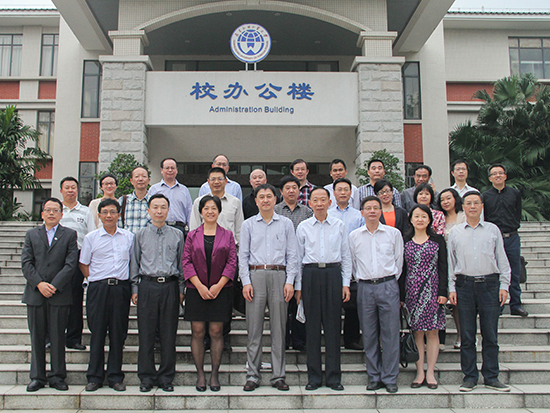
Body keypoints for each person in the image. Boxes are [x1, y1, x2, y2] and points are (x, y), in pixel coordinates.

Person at [448, 190, 511, 393]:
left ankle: (491, 376)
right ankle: (470, 377)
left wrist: (504, 285)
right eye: (469, 203)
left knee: (490, 334)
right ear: (463, 207)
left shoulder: (493, 230)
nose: (472, 206)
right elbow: (451, 263)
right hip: (464, 285)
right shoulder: (456, 232)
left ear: (482, 206)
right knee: (467, 335)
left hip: (489, 285)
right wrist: (451, 288)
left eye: (476, 203)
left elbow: (502, 259)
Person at [239, 184, 298, 392]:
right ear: (256, 201)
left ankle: (278, 375)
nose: (265, 200)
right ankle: (252, 375)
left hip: (279, 275)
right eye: (261, 197)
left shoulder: (286, 224)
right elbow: (243, 256)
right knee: (254, 329)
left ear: (275, 199)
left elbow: (292, 255)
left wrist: (290, 281)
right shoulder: (247, 225)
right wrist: (245, 281)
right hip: (255, 276)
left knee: (279, 329)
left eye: (269, 196)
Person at [295, 187, 352, 391]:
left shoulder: (339, 225)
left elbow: (346, 256)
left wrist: (346, 284)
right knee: (311, 328)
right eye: (315, 200)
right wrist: (298, 287)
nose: (319, 204)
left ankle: (334, 377)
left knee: (333, 327)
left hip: (333, 274)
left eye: (323, 200)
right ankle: (314, 377)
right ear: (310, 204)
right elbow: (297, 258)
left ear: (330, 203)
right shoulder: (303, 227)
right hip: (310, 274)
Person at [21, 198, 79, 392]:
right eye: (48, 210)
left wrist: (53, 286)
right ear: (42, 214)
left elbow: (71, 264)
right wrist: (39, 284)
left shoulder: (69, 235)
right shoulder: (31, 235)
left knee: (57, 337)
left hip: (58, 294)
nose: (51, 213)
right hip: (35, 294)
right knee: (37, 337)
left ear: (61, 214)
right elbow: (26, 263)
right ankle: (37, 377)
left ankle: (57, 376)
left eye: (55, 210)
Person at [130, 194, 185, 393]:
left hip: (170, 286)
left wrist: (181, 290)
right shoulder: (140, 235)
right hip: (147, 286)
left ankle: (166, 377)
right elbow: (134, 263)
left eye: (163, 207)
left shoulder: (177, 235)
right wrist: (135, 288)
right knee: (146, 334)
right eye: (155, 207)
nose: (159, 211)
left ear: (168, 210)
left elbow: (181, 264)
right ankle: (146, 377)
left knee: (169, 334)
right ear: (149, 211)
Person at [349, 195, 403, 394]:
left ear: (381, 211)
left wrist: (388, 281)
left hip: (388, 285)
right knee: (369, 334)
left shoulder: (393, 234)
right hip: (364, 287)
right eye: (368, 208)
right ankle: (373, 376)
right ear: (362, 212)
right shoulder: (354, 236)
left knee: (390, 333)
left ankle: (390, 377)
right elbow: (353, 264)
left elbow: (398, 262)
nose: (372, 211)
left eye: (375, 208)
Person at [183, 195, 237, 392]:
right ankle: (200, 375)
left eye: (213, 208)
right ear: (201, 212)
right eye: (206, 208)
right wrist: (199, 286)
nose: (210, 211)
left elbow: (232, 262)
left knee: (216, 331)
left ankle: (214, 374)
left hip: (220, 290)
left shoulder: (227, 235)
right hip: (196, 289)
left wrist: (218, 286)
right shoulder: (192, 235)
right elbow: (186, 262)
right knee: (197, 331)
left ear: (219, 211)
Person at [79, 199, 134, 392]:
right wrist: (95, 280)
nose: (108, 215)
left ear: (119, 215)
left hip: (121, 289)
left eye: (112, 212)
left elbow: (132, 263)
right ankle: (94, 377)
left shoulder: (128, 237)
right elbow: (83, 263)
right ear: (99, 215)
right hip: (98, 289)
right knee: (97, 333)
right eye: (105, 212)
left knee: (118, 334)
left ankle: (115, 377)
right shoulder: (91, 238)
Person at [190, 167, 244, 352]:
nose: (216, 182)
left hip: (227, 258)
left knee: (225, 300)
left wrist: (236, 257)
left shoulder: (235, 202)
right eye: (213, 179)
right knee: (204, 299)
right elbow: (193, 229)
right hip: (202, 258)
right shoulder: (199, 202)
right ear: (207, 182)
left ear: (226, 181)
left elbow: (239, 231)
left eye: (220, 179)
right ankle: (206, 338)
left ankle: (224, 337)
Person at [401, 204, 447, 390]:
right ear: (411, 219)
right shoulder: (404, 240)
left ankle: (431, 372)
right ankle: (419, 371)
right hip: (412, 291)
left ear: (429, 220)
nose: (420, 220)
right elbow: (402, 269)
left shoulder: (437, 240)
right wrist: (401, 295)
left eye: (423, 216)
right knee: (417, 332)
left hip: (433, 290)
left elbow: (443, 267)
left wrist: (443, 292)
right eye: (416, 216)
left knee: (433, 332)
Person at [483, 164, 528, 317]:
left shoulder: (515, 193)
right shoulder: (485, 196)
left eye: (500, 173)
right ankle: (498, 306)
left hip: (511, 237)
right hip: (494, 238)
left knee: (515, 271)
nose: (497, 176)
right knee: (496, 272)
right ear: (490, 178)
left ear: (505, 176)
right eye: (494, 174)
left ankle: (516, 304)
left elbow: (517, 213)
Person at [274, 175, 312, 351]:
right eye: (287, 188)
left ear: (299, 191)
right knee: (283, 303)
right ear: (281, 192)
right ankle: (283, 340)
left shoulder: (307, 212)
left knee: (299, 301)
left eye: (294, 188)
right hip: (281, 262)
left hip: (303, 261)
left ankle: (299, 340)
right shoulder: (275, 211)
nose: (291, 191)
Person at [327, 178, 364, 351]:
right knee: (332, 305)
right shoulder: (327, 214)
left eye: (346, 190)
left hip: (353, 264)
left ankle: (351, 339)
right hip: (333, 263)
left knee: (352, 305)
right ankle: (332, 338)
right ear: (334, 193)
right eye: (339, 190)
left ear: (351, 193)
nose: (343, 193)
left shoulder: (359, 215)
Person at [59, 176, 95, 351]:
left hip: (78, 257)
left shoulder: (85, 211)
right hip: (57, 258)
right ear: (61, 191)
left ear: (77, 190)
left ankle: (73, 338)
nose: (70, 190)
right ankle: (53, 338)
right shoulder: (56, 210)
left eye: (73, 187)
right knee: (55, 299)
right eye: (67, 187)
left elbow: (90, 236)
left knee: (75, 298)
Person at [438, 187, 466, 349]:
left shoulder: (464, 216)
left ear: (455, 198)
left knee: (462, 301)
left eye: (448, 198)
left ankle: (465, 335)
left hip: (462, 261)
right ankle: (459, 334)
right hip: (444, 262)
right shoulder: (439, 217)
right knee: (452, 301)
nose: (445, 202)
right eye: (442, 199)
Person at [148, 157, 193, 235]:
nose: (170, 170)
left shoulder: (184, 189)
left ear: (176, 170)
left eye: (172, 168)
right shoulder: (154, 189)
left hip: (179, 228)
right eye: (167, 168)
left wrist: (191, 230)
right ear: (161, 170)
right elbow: (149, 209)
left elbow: (189, 211)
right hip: (159, 226)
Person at [119, 166, 151, 233]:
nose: (140, 179)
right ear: (131, 181)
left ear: (148, 180)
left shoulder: (154, 201)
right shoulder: (123, 201)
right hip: (128, 239)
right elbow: (119, 225)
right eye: (137, 176)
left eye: (144, 176)